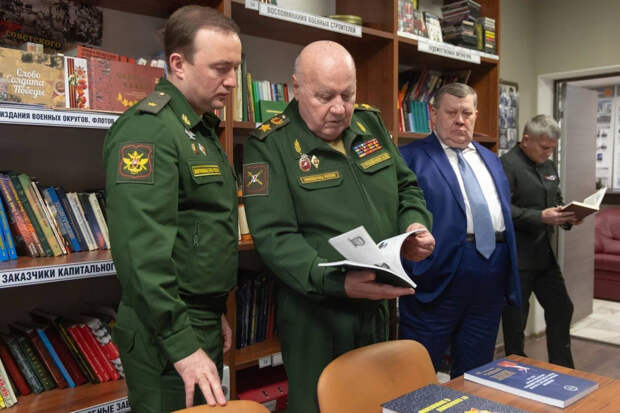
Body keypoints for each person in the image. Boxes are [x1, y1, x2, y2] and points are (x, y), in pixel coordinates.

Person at [242, 40, 435, 413]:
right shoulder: (269, 144)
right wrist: (336, 282)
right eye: (325, 96)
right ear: (296, 88)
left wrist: (414, 225)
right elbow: (274, 238)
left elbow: (407, 188)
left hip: (377, 305)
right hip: (316, 315)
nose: (338, 108)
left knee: (379, 402)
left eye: (347, 95)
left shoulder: (369, 123)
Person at [103, 6, 241, 411]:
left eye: (235, 68)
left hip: (195, 317)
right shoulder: (149, 130)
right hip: (163, 332)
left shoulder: (197, 128)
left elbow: (196, 231)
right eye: (220, 68)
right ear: (178, 64)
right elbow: (141, 255)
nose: (232, 81)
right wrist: (182, 343)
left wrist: (213, 310)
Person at [399, 83, 522, 378]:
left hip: (492, 269)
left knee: (477, 370)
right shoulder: (409, 157)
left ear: (476, 115)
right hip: (438, 273)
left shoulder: (491, 159)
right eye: (451, 112)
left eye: (466, 113)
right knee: (418, 370)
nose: (460, 120)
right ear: (433, 114)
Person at [501, 114, 580, 368]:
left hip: (544, 254)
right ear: (526, 140)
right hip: (517, 258)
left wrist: (568, 216)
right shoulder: (507, 164)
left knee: (562, 308)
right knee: (516, 320)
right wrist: (540, 217)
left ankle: (563, 369)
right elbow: (502, 209)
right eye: (544, 148)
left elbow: (556, 199)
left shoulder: (548, 165)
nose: (549, 154)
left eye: (552, 149)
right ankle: (515, 370)